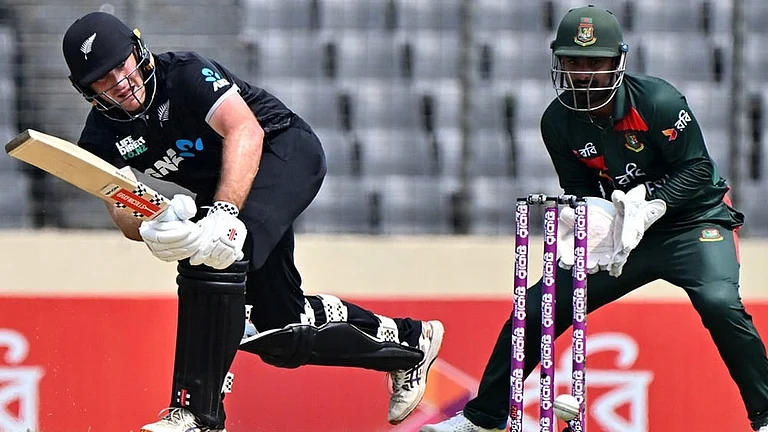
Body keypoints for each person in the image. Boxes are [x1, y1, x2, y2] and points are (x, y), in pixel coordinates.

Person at [61, 11, 444, 432]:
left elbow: (245, 130)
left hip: (282, 151)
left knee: (213, 256)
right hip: (225, 188)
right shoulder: (99, 136)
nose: (121, 81)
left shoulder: (185, 73)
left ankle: (197, 412)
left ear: (139, 52)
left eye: (122, 64)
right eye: (103, 78)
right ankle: (410, 343)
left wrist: (223, 213)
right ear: (87, 91)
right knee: (282, 332)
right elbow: (120, 205)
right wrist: (152, 226)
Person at [420, 5, 768, 432]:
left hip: (693, 224)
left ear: (617, 63)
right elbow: (582, 191)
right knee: (537, 307)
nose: (583, 73)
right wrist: (586, 220)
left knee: (719, 304)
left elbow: (696, 169)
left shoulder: (657, 100)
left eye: (594, 62)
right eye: (573, 61)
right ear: (558, 62)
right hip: (625, 235)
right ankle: (483, 417)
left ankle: (766, 416)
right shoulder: (558, 122)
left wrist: (655, 204)